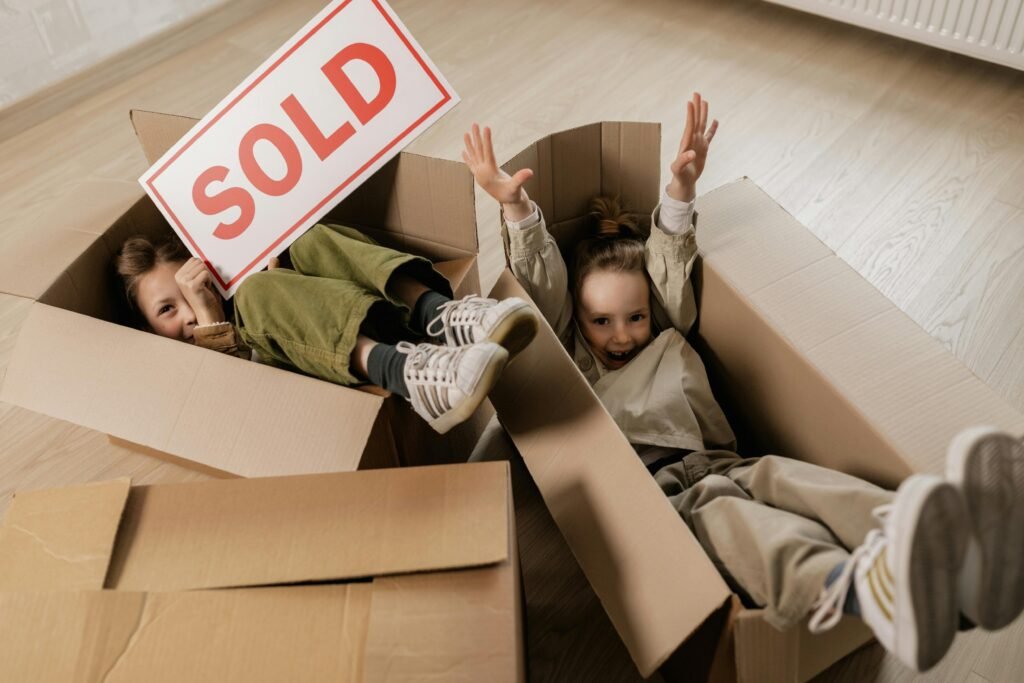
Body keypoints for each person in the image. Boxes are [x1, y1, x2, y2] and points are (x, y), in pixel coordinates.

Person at [463, 92, 1024, 672]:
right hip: (662, 494)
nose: (622, 334)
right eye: (600, 322)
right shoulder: (576, 358)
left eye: (634, 316)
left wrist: (681, 190)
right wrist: (518, 209)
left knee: (783, 477)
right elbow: (542, 291)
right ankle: (856, 588)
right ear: (578, 322)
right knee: (728, 517)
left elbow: (669, 266)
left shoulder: (667, 330)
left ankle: (935, 541)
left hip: (718, 461)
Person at [114, 222, 539, 434]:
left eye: (192, 293)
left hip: (378, 321)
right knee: (257, 293)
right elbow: (227, 400)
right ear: (147, 328)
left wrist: (289, 277)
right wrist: (210, 318)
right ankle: (411, 378)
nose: (187, 313)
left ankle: (442, 315)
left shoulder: (245, 295)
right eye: (168, 308)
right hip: (323, 384)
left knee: (307, 239)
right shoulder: (181, 365)